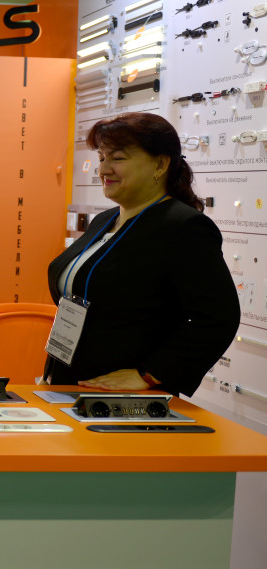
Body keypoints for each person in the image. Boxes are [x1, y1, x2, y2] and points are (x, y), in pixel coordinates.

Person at [43, 112, 240, 396]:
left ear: (160, 164)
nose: (103, 170)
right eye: (101, 158)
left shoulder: (184, 227)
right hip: (71, 380)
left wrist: (150, 374)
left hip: (125, 400)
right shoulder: (105, 220)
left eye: (117, 158)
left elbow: (217, 318)